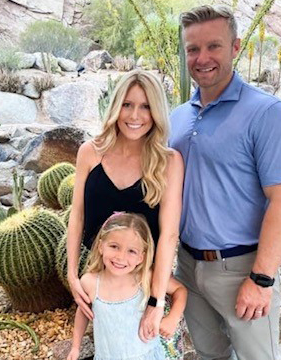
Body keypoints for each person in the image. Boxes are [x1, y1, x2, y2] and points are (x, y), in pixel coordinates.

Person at [142, 4, 281, 360]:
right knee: (209, 355)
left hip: (241, 268)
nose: (202, 58)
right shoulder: (179, 118)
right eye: (192, 49)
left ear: (235, 47)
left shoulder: (267, 113)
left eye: (213, 46)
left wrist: (261, 279)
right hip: (188, 266)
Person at [65, 69, 185, 349]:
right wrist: (72, 274)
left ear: (156, 112)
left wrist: (156, 301)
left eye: (145, 107)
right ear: (115, 107)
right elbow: (77, 215)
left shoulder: (169, 162)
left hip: (145, 280)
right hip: (102, 268)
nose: (134, 116)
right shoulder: (89, 152)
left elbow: (169, 234)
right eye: (127, 105)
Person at [67, 212, 187, 360]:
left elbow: (179, 290)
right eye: (114, 246)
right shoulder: (90, 282)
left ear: (141, 257)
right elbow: (83, 312)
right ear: (100, 246)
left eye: (131, 251)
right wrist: (75, 347)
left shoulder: (145, 278)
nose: (120, 257)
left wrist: (172, 318)